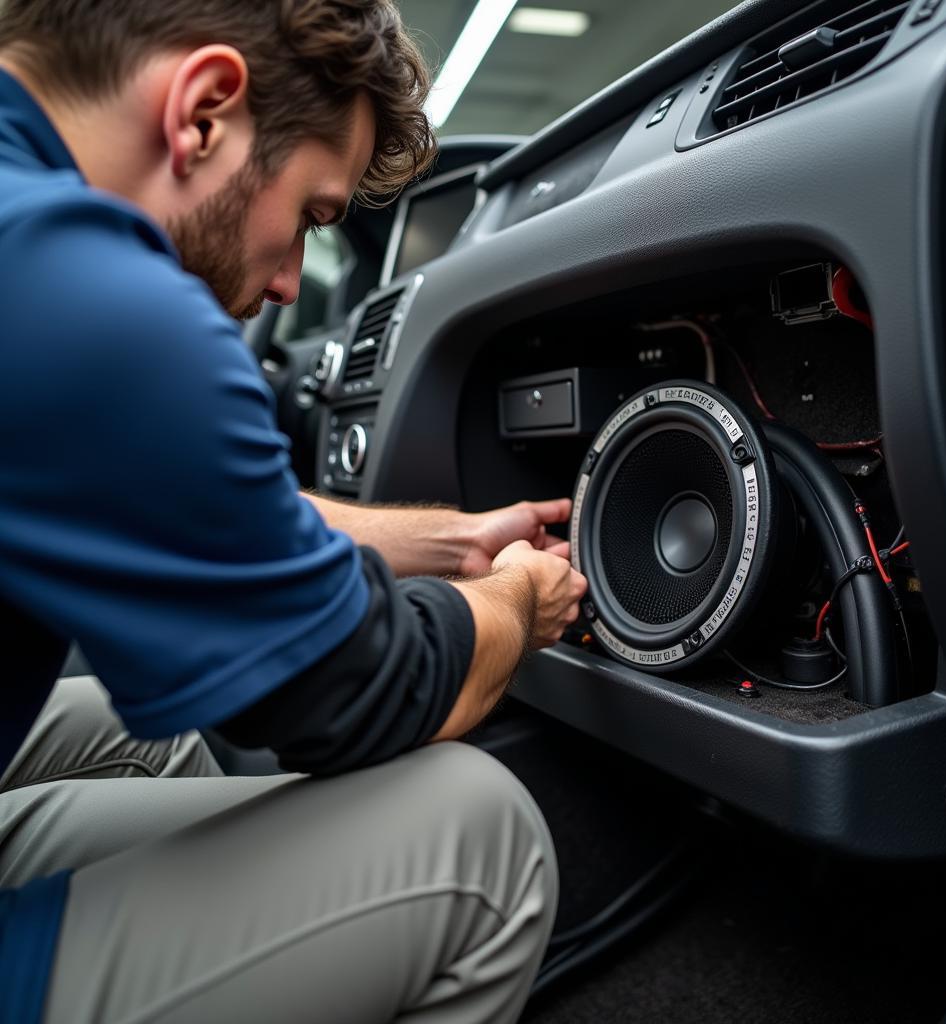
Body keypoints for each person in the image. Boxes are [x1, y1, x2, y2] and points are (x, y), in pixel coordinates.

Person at [0, 1, 588, 1021]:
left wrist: (450, 543)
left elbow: (163, 498)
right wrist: (515, 601)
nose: (283, 285)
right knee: (480, 834)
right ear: (205, 113)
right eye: (313, 216)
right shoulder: (83, 292)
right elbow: (359, 691)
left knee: (139, 737)